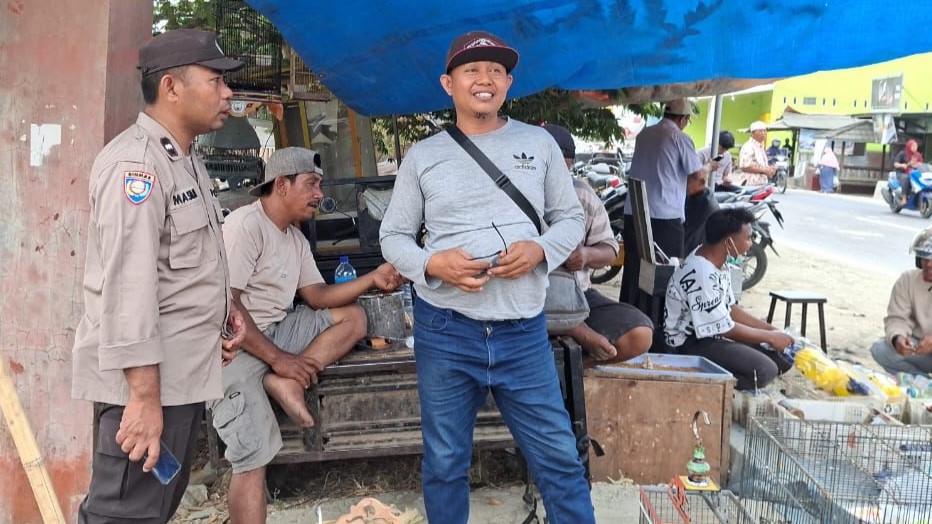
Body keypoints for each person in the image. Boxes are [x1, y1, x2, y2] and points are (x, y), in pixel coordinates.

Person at [379, 31, 595, 524]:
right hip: (447, 331)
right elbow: (393, 238)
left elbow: (569, 219)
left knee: (558, 459)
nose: (485, 79)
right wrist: (433, 264)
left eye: (496, 71)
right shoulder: (423, 155)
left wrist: (539, 248)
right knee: (446, 462)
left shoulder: (537, 143)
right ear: (448, 83)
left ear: (508, 83)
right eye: (472, 70)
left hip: (523, 333)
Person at [71, 29, 247, 523]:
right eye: (216, 81)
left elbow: (182, 267)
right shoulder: (137, 166)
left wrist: (220, 316)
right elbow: (128, 290)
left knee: (151, 512)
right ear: (171, 87)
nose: (227, 93)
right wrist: (145, 399)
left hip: (178, 383)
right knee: (123, 516)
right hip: (147, 392)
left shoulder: (182, 158)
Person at [212, 148, 402, 523]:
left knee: (353, 317)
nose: (319, 194)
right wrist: (279, 358)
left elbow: (317, 297)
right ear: (282, 185)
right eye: (312, 184)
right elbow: (226, 306)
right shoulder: (245, 226)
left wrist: (372, 279)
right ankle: (278, 376)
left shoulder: (294, 239)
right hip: (233, 345)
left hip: (279, 331)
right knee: (252, 457)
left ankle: (288, 382)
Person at [543, 124, 654, 362]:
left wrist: (585, 255)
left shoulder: (582, 195)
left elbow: (609, 249)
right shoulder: (510, 194)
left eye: (557, 165)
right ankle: (573, 328)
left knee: (640, 334)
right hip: (526, 298)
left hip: (576, 294)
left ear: (570, 164)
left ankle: (578, 372)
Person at [664, 208, 794, 390]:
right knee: (765, 370)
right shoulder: (701, 273)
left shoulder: (717, 260)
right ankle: (711, 390)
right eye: (748, 238)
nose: (751, 244)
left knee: (783, 358)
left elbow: (730, 309)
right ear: (729, 242)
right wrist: (770, 337)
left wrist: (773, 331)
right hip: (687, 343)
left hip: (711, 333)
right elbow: (725, 328)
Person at [619, 98, 708, 306]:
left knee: (635, 268)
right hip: (664, 216)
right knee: (666, 271)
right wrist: (710, 167)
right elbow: (698, 177)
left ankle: (631, 311)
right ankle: (658, 320)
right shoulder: (679, 137)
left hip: (635, 211)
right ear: (683, 119)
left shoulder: (645, 133)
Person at [871, 227, 932, 376]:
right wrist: (898, 338)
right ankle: (923, 383)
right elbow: (897, 318)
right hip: (920, 350)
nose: (929, 264)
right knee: (880, 349)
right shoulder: (908, 280)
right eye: (925, 258)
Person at [683, 169, 720, 253]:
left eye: (688, 182)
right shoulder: (696, 196)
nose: (684, 185)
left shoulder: (704, 204)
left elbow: (689, 234)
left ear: (701, 183)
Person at [736, 120, 776, 186]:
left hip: (761, 184)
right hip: (750, 185)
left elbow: (759, 164)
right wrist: (764, 170)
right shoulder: (749, 146)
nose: (763, 133)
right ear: (752, 133)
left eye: (764, 131)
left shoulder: (760, 147)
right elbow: (745, 166)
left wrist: (769, 169)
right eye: (760, 131)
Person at [894, 139, 924, 207]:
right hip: (902, 173)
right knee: (906, 178)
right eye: (913, 146)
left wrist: (918, 164)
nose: (915, 148)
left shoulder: (918, 155)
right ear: (909, 146)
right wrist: (902, 165)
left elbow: (921, 164)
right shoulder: (903, 153)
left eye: (916, 146)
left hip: (914, 173)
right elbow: (895, 164)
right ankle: (904, 198)